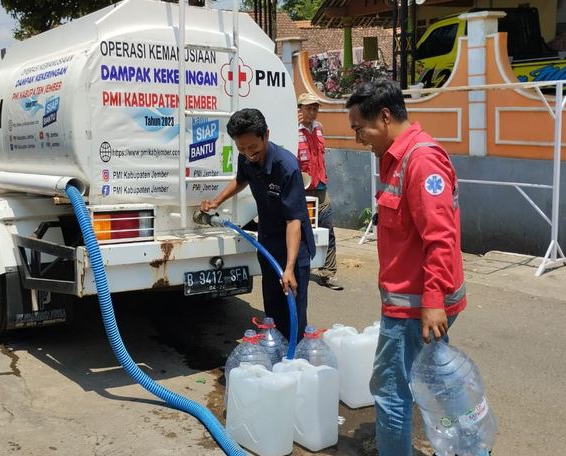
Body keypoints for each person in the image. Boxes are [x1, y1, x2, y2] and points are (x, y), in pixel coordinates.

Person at [345, 80, 467, 456]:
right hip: (411, 301)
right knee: (434, 383)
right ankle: (469, 446)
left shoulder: (421, 159)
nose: (358, 139)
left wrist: (432, 301)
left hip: (416, 307)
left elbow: (441, 238)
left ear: (383, 118)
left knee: (391, 391)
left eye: (358, 129)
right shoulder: (396, 157)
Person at [200, 108, 316, 341]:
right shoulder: (247, 157)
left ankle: (294, 360)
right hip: (268, 246)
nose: (248, 153)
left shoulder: (286, 166)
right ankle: (275, 355)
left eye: (252, 147)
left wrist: (290, 267)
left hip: (293, 249)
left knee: (292, 312)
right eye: (241, 148)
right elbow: (241, 180)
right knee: (272, 310)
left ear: (266, 135)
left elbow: (293, 219)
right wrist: (216, 200)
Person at [297, 92, 343, 291]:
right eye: (308, 108)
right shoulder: (292, 130)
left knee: (328, 230)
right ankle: (296, 269)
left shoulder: (319, 128)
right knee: (298, 232)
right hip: (301, 190)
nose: (313, 112)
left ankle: (328, 273)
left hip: (321, 187)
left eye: (315, 108)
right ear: (299, 109)